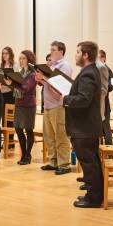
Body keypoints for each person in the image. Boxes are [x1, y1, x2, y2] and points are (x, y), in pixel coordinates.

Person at [62, 41, 103, 208]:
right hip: (85, 127)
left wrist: (65, 99)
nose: (76, 55)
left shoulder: (88, 73)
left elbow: (84, 100)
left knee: (89, 163)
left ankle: (93, 199)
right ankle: (94, 195)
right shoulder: (89, 71)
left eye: (78, 52)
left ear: (86, 55)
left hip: (84, 127)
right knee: (91, 162)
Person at [36, 41, 72, 175]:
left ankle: (64, 164)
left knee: (61, 135)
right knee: (49, 135)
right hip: (48, 105)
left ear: (61, 52)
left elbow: (60, 86)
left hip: (58, 105)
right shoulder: (51, 66)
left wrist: (44, 77)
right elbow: (47, 82)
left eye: (53, 50)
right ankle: (53, 161)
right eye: (50, 49)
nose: (51, 52)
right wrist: (40, 78)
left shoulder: (65, 66)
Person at [5, 50, 37, 165]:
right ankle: (23, 154)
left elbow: (26, 88)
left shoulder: (33, 74)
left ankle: (28, 155)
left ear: (29, 60)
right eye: (20, 58)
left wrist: (13, 84)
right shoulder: (20, 72)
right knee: (18, 129)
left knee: (28, 130)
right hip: (18, 104)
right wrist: (10, 84)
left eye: (23, 58)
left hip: (28, 105)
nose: (21, 60)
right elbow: (17, 89)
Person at [0, 47, 18, 147]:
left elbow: (16, 78)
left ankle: (10, 141)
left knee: (10, 118)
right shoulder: (1, 65)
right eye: (3, 54)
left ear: (10, 54)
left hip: (10, 93)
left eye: (6, 53)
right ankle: (5, 140)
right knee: (3, 117)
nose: (4, 55)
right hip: (2, 92)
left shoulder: (14, 65)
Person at [98, 50, 113, 145]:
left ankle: (109, 154)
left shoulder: (107, 70)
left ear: (104, 58)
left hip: (104, 104)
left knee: (106, 130)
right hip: (98, 104)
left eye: (99, 58)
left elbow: (110, 87)